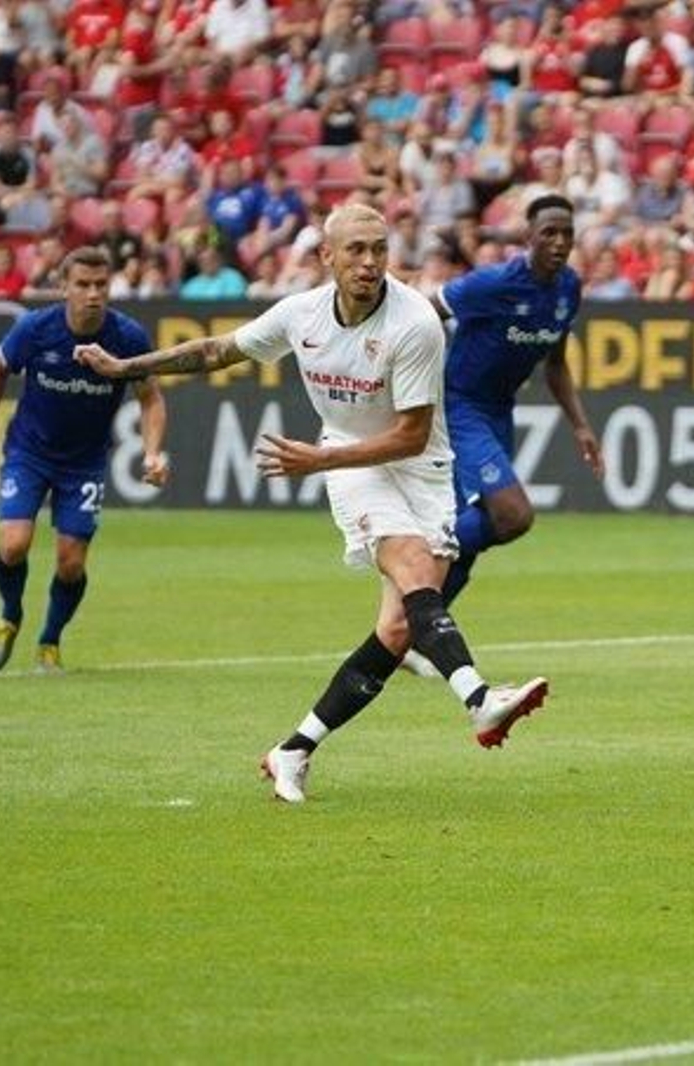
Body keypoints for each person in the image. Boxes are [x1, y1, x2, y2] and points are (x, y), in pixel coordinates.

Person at [73, 203, 549, 804]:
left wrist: (314, 461)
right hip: (351, 458)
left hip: (420, 466)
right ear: (328, 257)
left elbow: (408, 434)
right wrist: (125, 367)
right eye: (356, 250)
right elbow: (219, 351)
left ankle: (292, 750)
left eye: (379, 249)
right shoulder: (300, 314)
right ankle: (481, 700)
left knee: (399, 627)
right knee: (409, 570)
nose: (370, 262)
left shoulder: (416, 324)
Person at [0, 246, 169, 674]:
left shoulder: (127, 338)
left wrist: (152, 452)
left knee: (71, 562)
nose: (93, 294)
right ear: (63, 287)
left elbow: (150, 398)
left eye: (101, 285)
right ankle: (10, 614)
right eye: (83, 284)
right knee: (13, 544)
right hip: (28, 452)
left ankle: (49, 641)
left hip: (85, 463)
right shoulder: (36, 329)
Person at [428, 194, 602, 613]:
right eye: (549, 233)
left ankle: (417, 629)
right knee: (513, 515)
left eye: (567, 234)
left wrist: (580, 425)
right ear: (528, 237)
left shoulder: (568, 288)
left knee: (479, 533)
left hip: (499, 412)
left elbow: (555, 364)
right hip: (459, 406)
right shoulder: (493, 283)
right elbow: (426, 312)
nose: (560, 242)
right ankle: (423, 550)